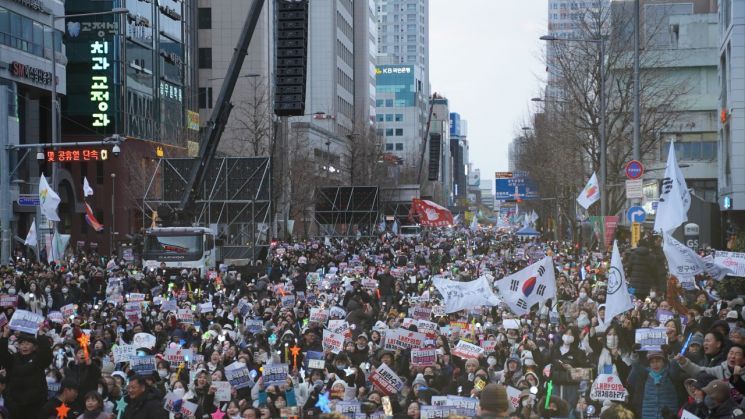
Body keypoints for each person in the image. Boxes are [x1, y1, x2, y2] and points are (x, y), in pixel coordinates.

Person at [0, 326, 53, 418]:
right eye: (22, 344)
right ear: (18, 346)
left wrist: (41, 334)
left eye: (28, 344)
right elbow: (2, 354)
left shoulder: (39, 359)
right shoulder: (13, 359)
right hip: (14, 404)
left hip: (35, 404)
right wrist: (4, 336)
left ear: (34, 347)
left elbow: (47, 353)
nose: (24, 346)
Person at [628, 351, 684, 419]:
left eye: (658, 361)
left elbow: (674, 368)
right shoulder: (646, 374)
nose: (655, 364)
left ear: (663, 362)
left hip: (668, 415)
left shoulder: (669, 374)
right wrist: (634, 354)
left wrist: (670, 355)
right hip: (649, 415)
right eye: (652, 362)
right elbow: (635, 366)